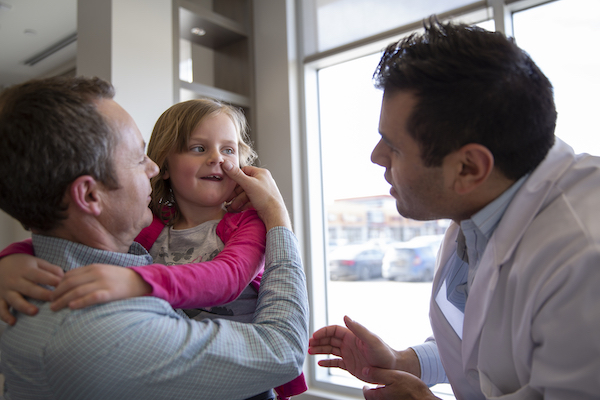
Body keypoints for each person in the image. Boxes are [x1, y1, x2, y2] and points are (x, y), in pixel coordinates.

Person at [308, 18, 600, 400]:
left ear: (469, 168)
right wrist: (404, 362)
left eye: (393, 146)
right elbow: (490, 353)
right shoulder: (482, 207)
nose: (376, 157)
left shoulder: (584, 258)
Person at [0, 76, 308, 400]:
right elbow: (281, 352)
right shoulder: (106, 332)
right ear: (90, 195)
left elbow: (228, 275)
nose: (151, 167)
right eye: (138, 157)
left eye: (228, 149)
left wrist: (11, 259)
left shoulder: (49, 274)